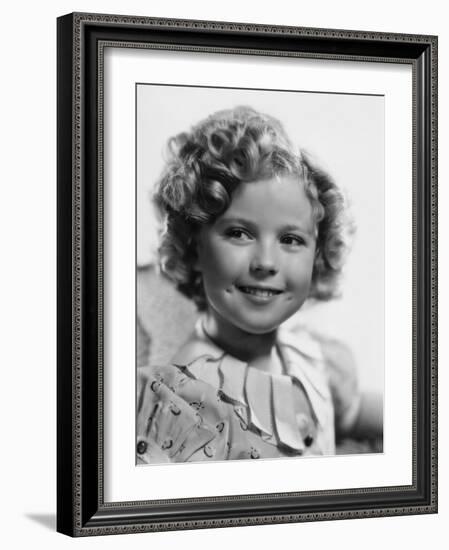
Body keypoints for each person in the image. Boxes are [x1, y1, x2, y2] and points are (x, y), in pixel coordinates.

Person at [136, 105, 382, 464]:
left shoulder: (313, 358)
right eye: (239, 233)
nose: (266, 262)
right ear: (193, 247)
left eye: (291, 239)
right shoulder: (178, 403)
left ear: (317, 256)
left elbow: (350, 413)